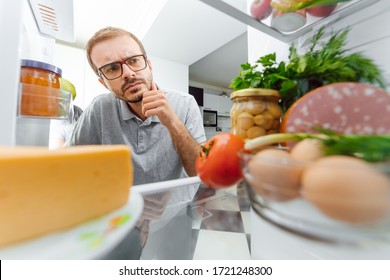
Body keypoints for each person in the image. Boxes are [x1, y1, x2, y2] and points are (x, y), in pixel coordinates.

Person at [65, 26, 206, 185]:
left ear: (149, 65)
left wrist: (172, 122)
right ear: (104, 83)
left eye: (133, 60)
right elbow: (69, 167)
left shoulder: (185, 104)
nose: (128, 73)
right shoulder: (99, 109)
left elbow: (200, 172)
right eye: (112, 68)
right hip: (122, 208)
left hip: (177, 209)